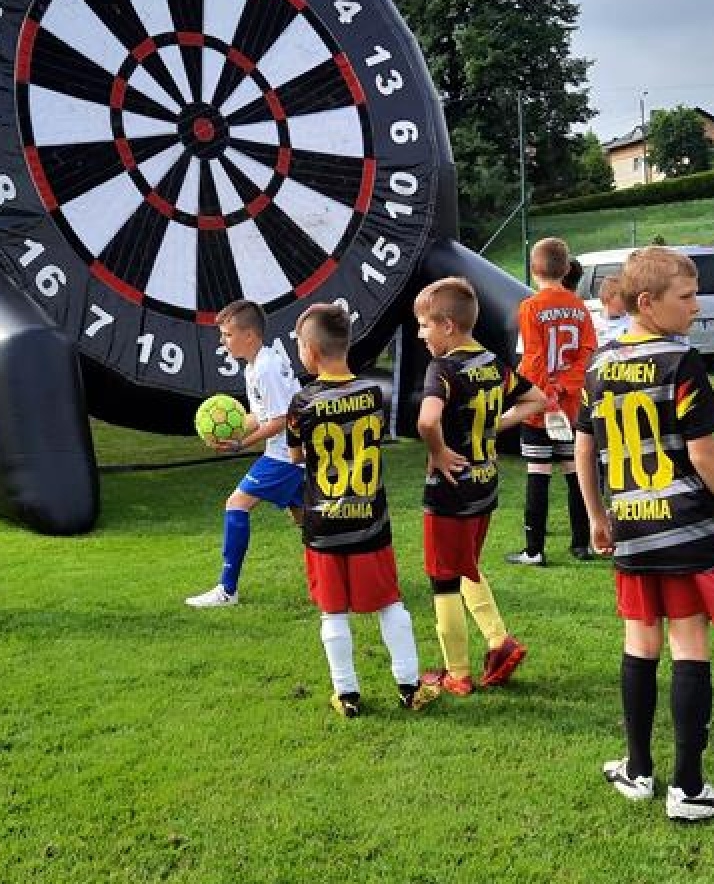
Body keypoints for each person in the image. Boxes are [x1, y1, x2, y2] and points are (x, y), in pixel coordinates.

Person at [575, 246, 714, 822]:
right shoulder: (680, 363)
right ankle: (689, 788)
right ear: (648, 302)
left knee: (639, 643)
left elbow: (584, 448)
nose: (697, 306)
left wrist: (597, 515)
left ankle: (638, 770)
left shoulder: (599, 364)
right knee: (689, 645)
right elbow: (702, 452)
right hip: (681, 527)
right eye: (687, 296)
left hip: (629, 527)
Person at [286, 303, 438, 716]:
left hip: (323, 523)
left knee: (332, 611)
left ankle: (347, 694)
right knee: (390, 603)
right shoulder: (372, 394)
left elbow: (297, 456)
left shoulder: (302, 402)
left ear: (310, 351)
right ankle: (409, 686)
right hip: (369, 520)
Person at [414, 276, 546, 696]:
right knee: (466, 565)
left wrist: (437, 451)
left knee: (443, 579)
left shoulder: (444, 368)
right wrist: (493, 425)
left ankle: (457, 673)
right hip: (485, 485)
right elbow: (537, 398)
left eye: (424, 326)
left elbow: (427, 420)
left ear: (448, 325)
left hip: (450, 489)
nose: (420, 334)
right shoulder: (491, 362)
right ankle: (498, 641)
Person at [185, 299, 304, 607]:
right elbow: (263, 416)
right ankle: (337, 577)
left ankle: (227, 590)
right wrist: (230, 433)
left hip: (284, 456)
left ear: (249, 335)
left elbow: (280, 421)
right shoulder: (258, 365)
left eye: (227, 334)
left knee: (236, 504)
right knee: (310, 522)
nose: (222, 342)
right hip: (295, 455)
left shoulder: (265, 369)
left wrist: (242, 444)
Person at [506, 237, 595, 565]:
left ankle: (534, 550)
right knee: (575, 472)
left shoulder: (530, 307)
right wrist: (565, 387)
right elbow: (586, 352)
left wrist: (546, 394)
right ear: (567, 268)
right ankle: (581, 544)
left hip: (540, 406)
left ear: (533, 269)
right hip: (570, 405)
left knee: (538, 472)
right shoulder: (579, 306)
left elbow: (533, 358)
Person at [591, 276, 631, 348]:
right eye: (622, 295)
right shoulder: (592, 321)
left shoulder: (633, 321)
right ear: (608, 296)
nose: (626, 298)